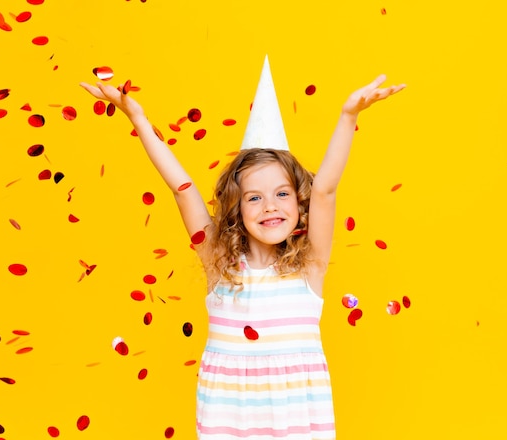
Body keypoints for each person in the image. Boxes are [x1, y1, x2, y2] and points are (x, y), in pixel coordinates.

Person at [81, 62, 405, 439]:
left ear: (300, 202)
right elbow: (182, 188)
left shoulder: (310, 266)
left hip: (298, 420)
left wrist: (348, 115)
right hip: (229, 419)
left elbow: (326, 190)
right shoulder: (219, 264)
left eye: (282, 194)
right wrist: (137, 117)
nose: (270, 206)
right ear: (236, 208)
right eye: (255, 197)